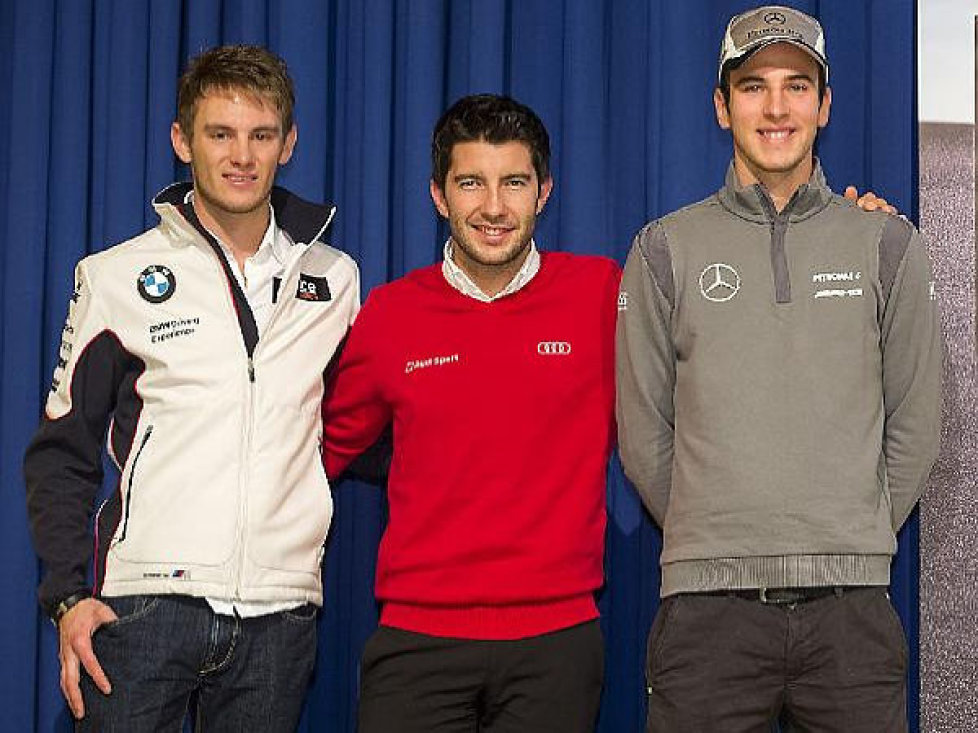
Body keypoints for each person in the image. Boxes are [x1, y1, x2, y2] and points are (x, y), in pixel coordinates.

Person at [616, 6, 942, 732]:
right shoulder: (664, 249)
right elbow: (643, 434)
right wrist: (719, 530)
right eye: (754, 85)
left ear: (824, 105)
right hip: (706, 619)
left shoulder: (887, 244)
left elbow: (916, 423)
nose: (775, 107)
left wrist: (847, 531)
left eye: (797, 85)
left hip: (851, 617)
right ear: (721, 105)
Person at [24, 45, 359, 731]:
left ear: (288, 144)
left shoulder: (336, 278)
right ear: (182, 141)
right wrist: (67, 598)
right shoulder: (116, 275)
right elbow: (62, 452)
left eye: (261, 135)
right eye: (220, 134)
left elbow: (356, 423)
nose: (242, 155)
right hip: (142, 607)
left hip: (280, 611)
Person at [321, 94, 619, 732]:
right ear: (438, 195)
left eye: (513, 182)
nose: (492, 207)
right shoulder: (390, 315)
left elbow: (714, 345)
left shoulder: (602, 294)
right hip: (416, 643)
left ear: (544, 191)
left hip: (558, 643)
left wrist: (835, 229)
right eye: (470, 183)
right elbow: (317, 453)